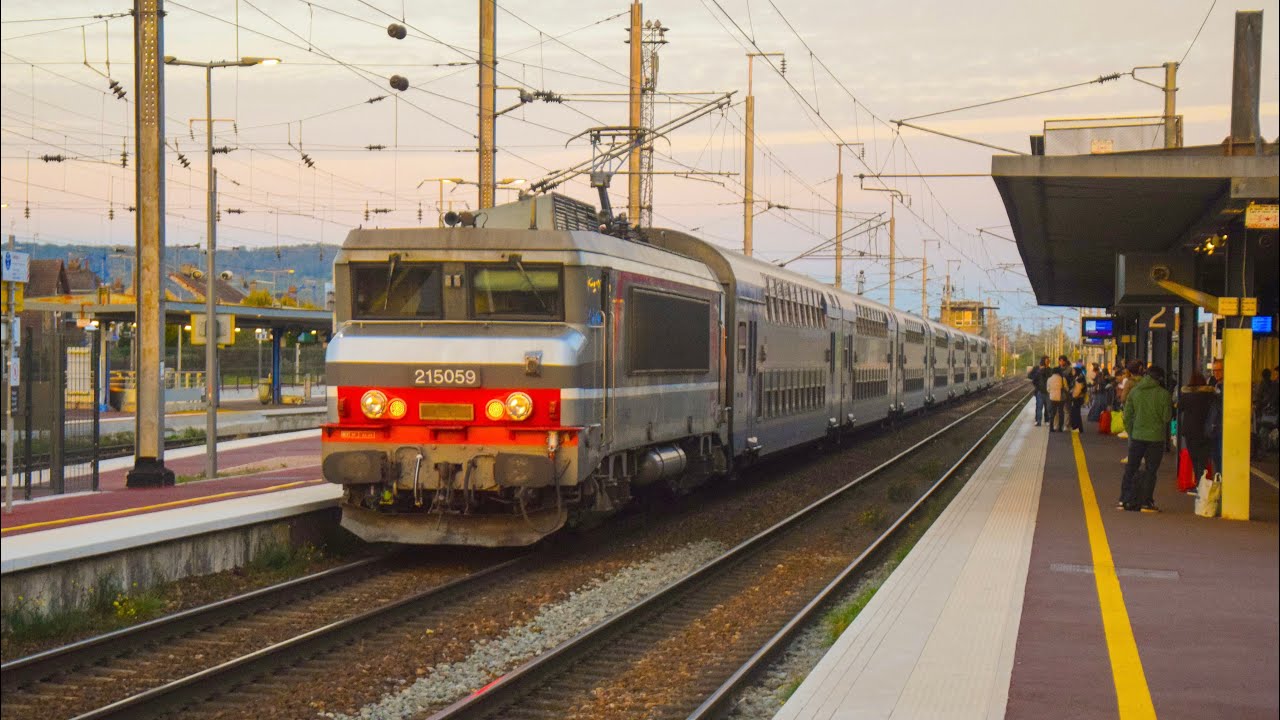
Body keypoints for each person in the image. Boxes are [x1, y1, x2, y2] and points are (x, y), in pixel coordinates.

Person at [1119, 361, 1172, 512]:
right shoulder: (1164, 394)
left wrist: (1132, 431)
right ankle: (1146, 502)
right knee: (1151, 470)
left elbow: (1127, 416)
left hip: (1137, 436)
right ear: (1160, 379)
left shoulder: (1135, 392)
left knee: (1131, 468)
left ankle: (1124, 499)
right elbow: (1167, 417)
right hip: (1155, 438)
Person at [1179, 372, 1215, 484]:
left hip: (1190, 431)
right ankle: (1203, 482)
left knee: (1194, 458)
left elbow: (1180, 408)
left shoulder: (1186, 395)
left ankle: (1198, 482)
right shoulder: (1209, 395)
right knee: (1203, 459)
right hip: (1205, 430)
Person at [1028, 356, 1050, 426]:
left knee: (1047, 407)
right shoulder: (1037, 368)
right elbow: (1030, 376)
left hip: (1048, 391)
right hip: (1039, 391)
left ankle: (1047, 420)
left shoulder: (1049, 369)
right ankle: (1038, 420)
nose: (1048, 362)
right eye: (1047, 361)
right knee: (1039, 406)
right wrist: (1039, 371)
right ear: (1043, 361)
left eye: (1048, 361)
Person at [1047, 366, 1066, 432]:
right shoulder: (1062, 379)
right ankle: (1060, 428)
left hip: (1052, 397)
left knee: (1053, 413)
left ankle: (1051, 428)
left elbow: (1048, 389)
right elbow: (1066, 388)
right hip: (1061, 398)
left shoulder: (1049, 379)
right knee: (1061, 412)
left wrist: (1052, 392)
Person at [1069, 365, 1087, 432]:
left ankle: (1076, 428)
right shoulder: (1080, 377)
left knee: (1075, 413)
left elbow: (1078, 389)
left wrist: (1073, 396)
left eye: (1073, 371)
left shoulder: (1079, 379)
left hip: (1077, 398)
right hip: (1079, 398)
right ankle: (1078, 428)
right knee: (1076, 413)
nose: (1072, 372)